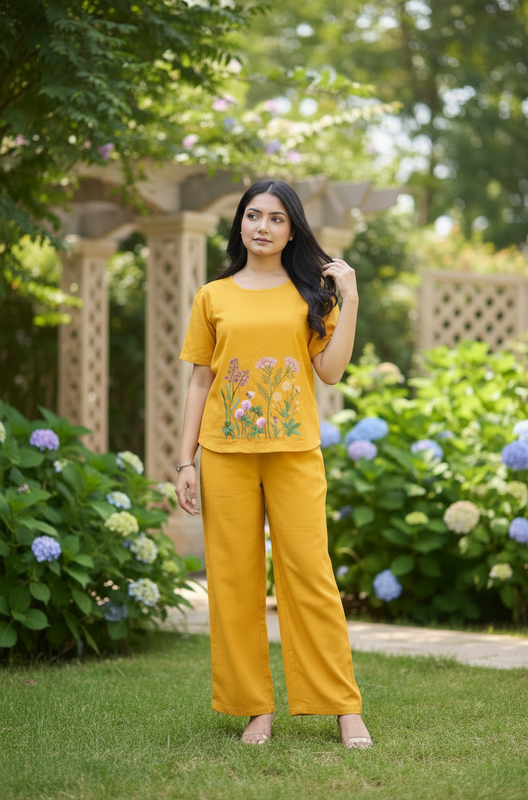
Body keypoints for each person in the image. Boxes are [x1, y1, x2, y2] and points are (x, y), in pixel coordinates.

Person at [175, 179, 372, 750]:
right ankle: (254, 709)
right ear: (240, 223)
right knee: (234, 582)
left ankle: (342, 706)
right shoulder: (212, 296)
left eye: (277, 219)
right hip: (225, 455)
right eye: (254, 216)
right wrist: (184, 461)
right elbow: (200, 380)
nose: (263, 227)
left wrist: (350, 300)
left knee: (311, 578)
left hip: (294, 453)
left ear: (293, 229)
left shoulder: (311, 295)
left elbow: (331, 372)